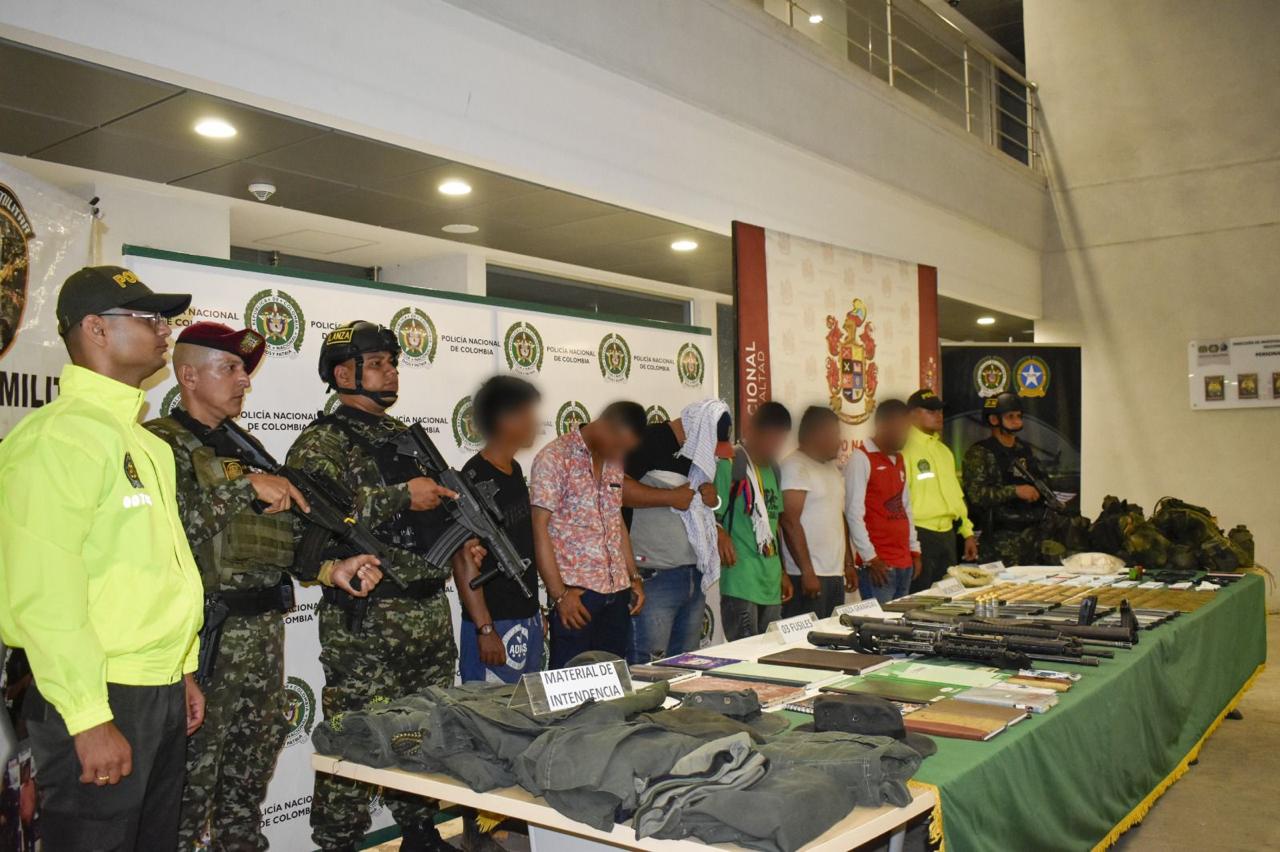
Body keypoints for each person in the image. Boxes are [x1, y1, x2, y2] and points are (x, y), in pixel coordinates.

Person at [144, 322, 383, 851]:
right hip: (206, 639)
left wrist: (327, 571)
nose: (243, 382)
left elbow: (276, 538)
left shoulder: (245, 445)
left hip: (262, 635)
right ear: (187, 375)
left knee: (247, 782)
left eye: (244, 371)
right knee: (189, 787)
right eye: (229, 369)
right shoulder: (161, 443)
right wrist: (243, 489)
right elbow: (163, 525)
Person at [0, 265, 203, 851]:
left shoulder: (145, 443)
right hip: (98, 694)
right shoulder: (55, 439)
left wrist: (182, 668)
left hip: (156, 690)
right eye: (148, 317)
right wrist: (88, 717)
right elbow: (45, 595)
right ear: (95, 328)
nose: (165, 329)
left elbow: (156, 569)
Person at [287, 321, 479, 852]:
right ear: (343, 373)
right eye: (377, 362)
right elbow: (310, 517)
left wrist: (458, 535)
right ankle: (339, 843)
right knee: (355, 738)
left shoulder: (404, 438)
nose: (391, 370)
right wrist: (400, 497)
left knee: (425, 732)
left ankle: (419, 833)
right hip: (368, 623)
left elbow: (429, 512)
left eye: (392, 361)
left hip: (427, 613)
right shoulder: (321, 442)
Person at [531, 401, 647, 668]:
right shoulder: (555, 457)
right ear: (604, 426)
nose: (619, 453)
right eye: (617, 445)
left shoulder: (613, 461)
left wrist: (634, 576)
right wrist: (559, 595)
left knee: (613, 687)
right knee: (569, 695)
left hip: (616, 594)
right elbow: (538, 527)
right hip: (577, 598)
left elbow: (615, 519)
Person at [623, 399, 729, 663]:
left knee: (684, 666)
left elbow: (699, 509)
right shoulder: (647, 440)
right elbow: (616, 490)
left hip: (693, 575)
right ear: (698, 430)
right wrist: (669, 497)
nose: (711, 452)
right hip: (655, 576)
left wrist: (711, 498)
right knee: (647, 669)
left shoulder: (698, 453)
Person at [453, 375, 544, 683]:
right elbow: (463, 561)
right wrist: (485, 629)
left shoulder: (514, 469)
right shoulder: (476, 478)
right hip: (496, 623)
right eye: (529, 413)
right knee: (488, 720)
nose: (536, 422)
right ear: (507, 419)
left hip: (523, 616)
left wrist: (533, 611)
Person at [715, 401, 793, 640]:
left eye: (780, 440)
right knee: (745, 659)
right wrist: (720, 532)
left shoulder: (774, 470)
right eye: (770, 438)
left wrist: (782, 571)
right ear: (752, 432)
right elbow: (707, 514)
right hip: (740, 581)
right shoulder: (730, 466)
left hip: (769, 581)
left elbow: (774, 523)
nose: (774, 446)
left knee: (772, 656)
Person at [846, 399, 922, 605]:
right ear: (882, 426)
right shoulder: (861, 459)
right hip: (879, 566)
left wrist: (915, 550)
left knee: (902, 626)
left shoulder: (899, 460)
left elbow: (906, 507)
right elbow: (853, 513)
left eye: (907, 429)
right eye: (900, 429)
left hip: (904, 562)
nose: (905, 435)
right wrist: (871, 558)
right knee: (880, 629)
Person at [779, 406, 852, 619]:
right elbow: (789, 521)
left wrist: (848, 563)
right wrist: (807, 572)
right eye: (834, 434)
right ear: (816, 435)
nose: (839, 441)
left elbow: (839, 516)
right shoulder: (794, 466)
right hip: (806, 576)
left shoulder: (831, 468)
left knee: (830, 640)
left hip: (833, 574)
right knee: (806, 647)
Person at [902, 389, 978, 592]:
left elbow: (955, 496)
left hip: (947, 534)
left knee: (947, 598)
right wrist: (910, 543)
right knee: (919, 598)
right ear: (911, 414)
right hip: (920, 534)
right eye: (930, 410)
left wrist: (967, 532)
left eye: (940, 410)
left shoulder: (943, 451)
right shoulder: (904, 449)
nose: (938, 415)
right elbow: (900, 500)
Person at [962, 392, 1048, 565]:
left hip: (1031, 538)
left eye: (1019, 416)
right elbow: (976, 495)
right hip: (999, 542)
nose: (1017, 421)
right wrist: (1015, 491)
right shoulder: (980, 453)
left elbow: (1042, 480)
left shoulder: (1024, 449)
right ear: (994, 420)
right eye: (1010, 417)